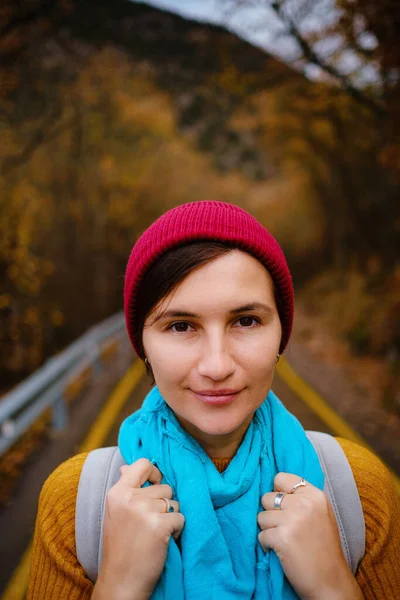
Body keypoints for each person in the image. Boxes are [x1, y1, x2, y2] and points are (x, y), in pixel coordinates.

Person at [28, 201, 400, 600]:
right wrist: (119, 585)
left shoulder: (359, 494)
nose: (217, 365)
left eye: (246, 321)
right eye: (181, 325)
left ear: (281, 335)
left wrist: (332, 586)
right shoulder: (74, 508)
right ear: (143, 346)